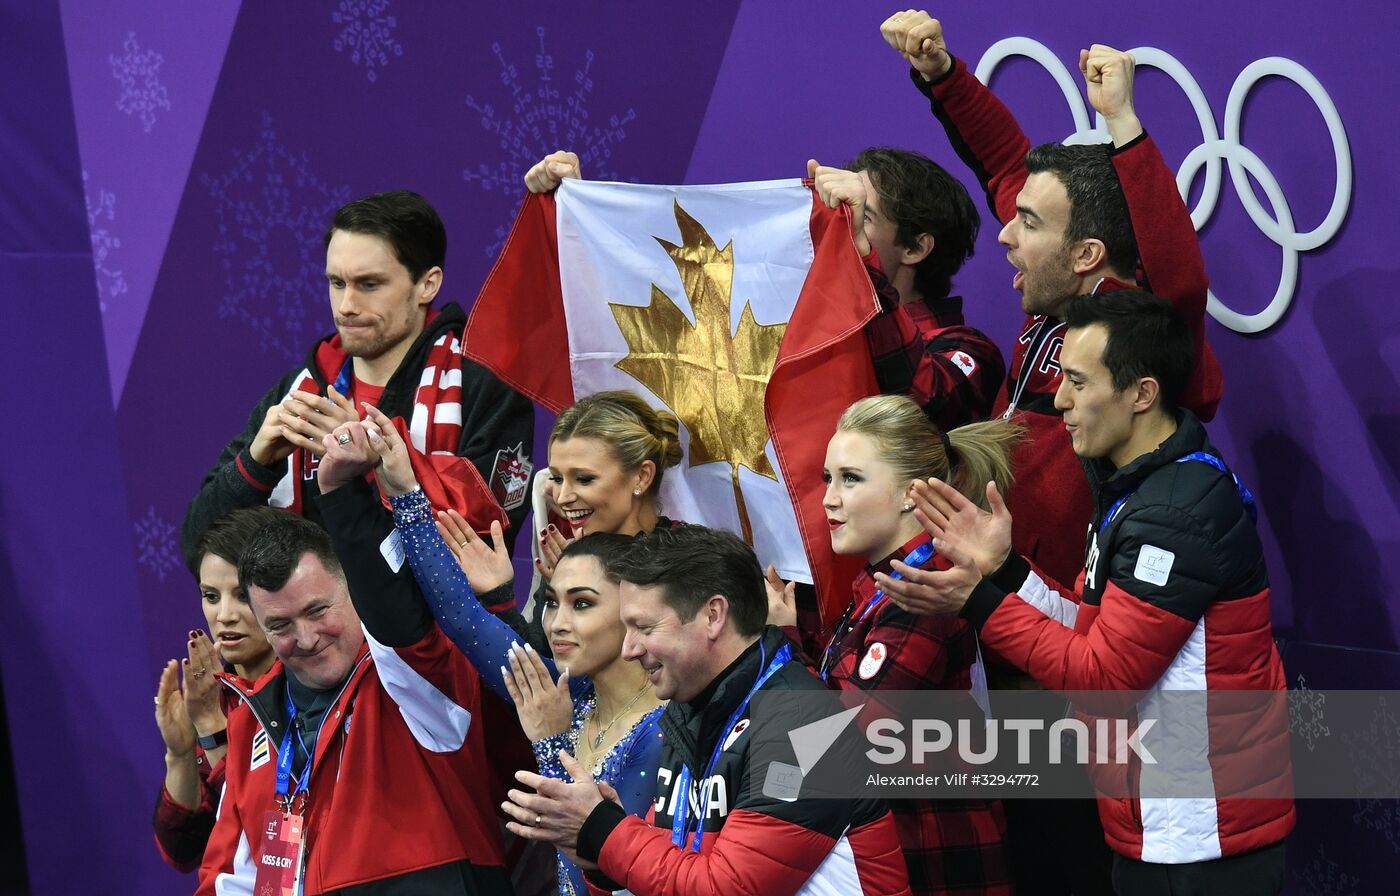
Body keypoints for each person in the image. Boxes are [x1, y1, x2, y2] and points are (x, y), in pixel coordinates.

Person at [879, 291, 1293, 894]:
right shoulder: (1136, 488)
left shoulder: (1177, 512)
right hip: (1162, 829)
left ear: (1142, 394)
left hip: (1205, 842)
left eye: (1076, 381)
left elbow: (1104, 678)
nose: (1061, 402)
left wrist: (978, 601)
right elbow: (1093, 627)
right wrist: (1004, 570)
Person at [877, 12, 1224, 591]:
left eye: (1028, 223)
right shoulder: (1056, 292)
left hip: (1053, 619)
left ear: (1086, 254)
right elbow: (1005, 161)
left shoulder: (1139, 332)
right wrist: (942, 74)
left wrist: (1122, 123)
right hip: (977, 584)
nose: (1005, 234)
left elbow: (1180, 274)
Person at [352, 402, 664, 895]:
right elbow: (464, 619)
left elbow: (608, 873)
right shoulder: (571, 693)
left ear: (639, 610)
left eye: (581, 604)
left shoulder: (668, 730)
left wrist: (549, 740)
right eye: (553, 602)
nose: (558, 623)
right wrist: (406, 493)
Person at [501, 523, 913, 895]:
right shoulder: (689, 711)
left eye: (644, 628)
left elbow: (728, 887)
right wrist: (598, 851)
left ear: (713, 615)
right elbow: (678, 856)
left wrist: (604, 831)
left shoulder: (806, 727)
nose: (629, 650)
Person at [180, 189, 534, 571]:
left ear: (427, 285)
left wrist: (372, 464)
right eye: (336, 283)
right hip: (308, 629)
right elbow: (200, 547)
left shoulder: (486, 388)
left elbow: (483, 547)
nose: (346, 306)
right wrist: (254, 465)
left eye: (369, 284)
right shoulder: (302, 390)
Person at [196, 477, 510, 893]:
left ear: (350, 590)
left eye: (317, 610)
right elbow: (228, 882)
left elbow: (396, 607)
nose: (306, 638)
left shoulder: (411, 681)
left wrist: (342, 490)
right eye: (280, 625)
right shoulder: (250, 724)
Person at [766, 394, 1014, 895]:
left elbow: (836, 741)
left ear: (909, 494)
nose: (829, 499)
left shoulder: (927, 590)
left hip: (933, 861)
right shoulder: (884, 582)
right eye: (828, 478)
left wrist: (783, 646)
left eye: (851, 479)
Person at [807, 150, 1005, 431]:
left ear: (915, 248)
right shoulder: (816, 335)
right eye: (843, 213)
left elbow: (922, 406)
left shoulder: (972, 351)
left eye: (863, 217)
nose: (842, 228)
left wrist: (862, 259)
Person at [153, 506, 282, 873]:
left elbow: (269, 830)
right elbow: (181, 851)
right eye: (211, 596)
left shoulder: (312, 691)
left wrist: (213, 731)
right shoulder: (212, 695)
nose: (224, 615)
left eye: (242, 595)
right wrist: (179, 753)